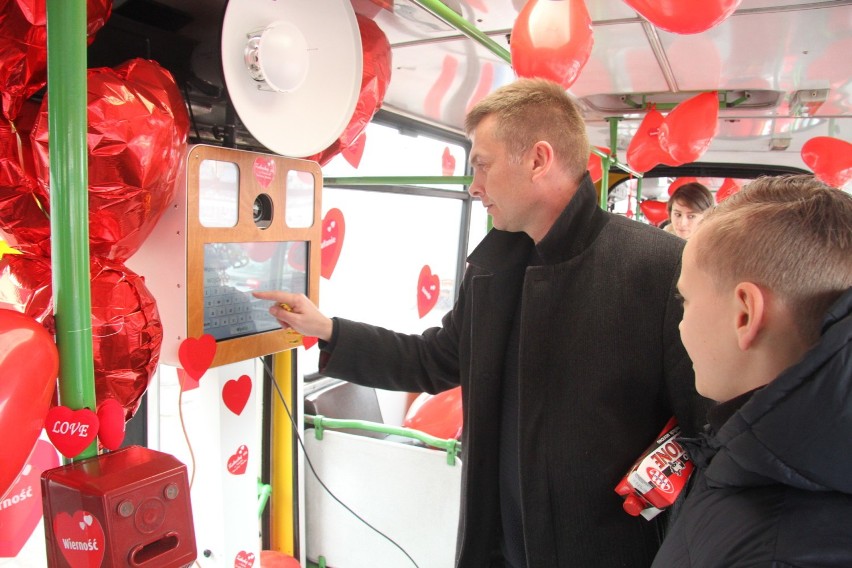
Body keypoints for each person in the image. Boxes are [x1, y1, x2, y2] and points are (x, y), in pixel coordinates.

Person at [254, 78, 710, 567]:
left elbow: (705, 436)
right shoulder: (492, 271)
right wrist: (328, 329)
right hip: (499, 546)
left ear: (537, 160)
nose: (474, 187)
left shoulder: (663, 268)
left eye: (483, 166)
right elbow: (434, 360)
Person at [652, 174, 852, 567]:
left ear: (745, 314)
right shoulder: (774, 459)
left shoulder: (774, 549)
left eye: (685, 300)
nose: (680, 324)